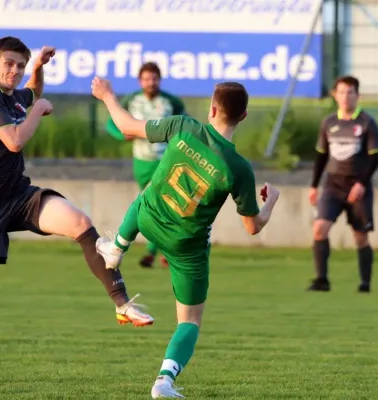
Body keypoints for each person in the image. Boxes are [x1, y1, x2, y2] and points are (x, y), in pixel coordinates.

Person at [0, 37, 153, 385]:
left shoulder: (12, 95)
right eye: (9, 63)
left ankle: (122, 304)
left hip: (18, 195)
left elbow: (31, 94)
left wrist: (37, 70)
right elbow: (15, 140)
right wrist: (37, 111)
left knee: (81, 222)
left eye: (19, 65)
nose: (14, 71)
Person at [91, 76, 280, 399]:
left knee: (148, 194)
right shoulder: (239, 168)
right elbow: (252, 226)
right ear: (243, 117)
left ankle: (117, 248)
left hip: (148, 220)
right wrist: (272, 199)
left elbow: (126, 127)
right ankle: (164, 380)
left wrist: (107, 96)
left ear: (212, 108)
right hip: (187, 247)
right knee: (190, 321)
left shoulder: (184, 126)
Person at [105, 62, 186, 268]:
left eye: (154, 78)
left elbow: (185, 124)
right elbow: (111, 123)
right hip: (141, 162)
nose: (151, 82)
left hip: (165, 160)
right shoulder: (132, 100)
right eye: (147, 79)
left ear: (160, 79)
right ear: (140, 81)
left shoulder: (170, 102)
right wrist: (123, 135)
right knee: (155, 207)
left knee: (155, 204)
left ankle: (151, 251)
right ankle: (165, 250)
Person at [307, 75, 378, 293]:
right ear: (335, 95)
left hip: (358, 187)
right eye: (341, 92)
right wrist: (314, 185)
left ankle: (365, 284)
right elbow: (321, 156)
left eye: (350, 92)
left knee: (360, 236)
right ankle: (322, 280)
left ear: (357, 96)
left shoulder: (367, 123)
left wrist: (361, 183)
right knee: (319, 228)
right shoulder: (328, 123)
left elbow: (375, 157)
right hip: (332, 185)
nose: (345, 97)